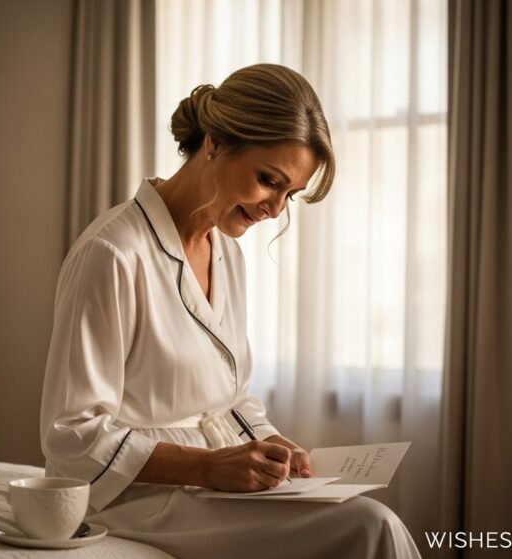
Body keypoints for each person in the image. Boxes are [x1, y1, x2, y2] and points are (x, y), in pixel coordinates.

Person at [40, 63, 421, 558]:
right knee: (370, 527)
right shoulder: (113, 254)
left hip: (210, 486)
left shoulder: (227, 252)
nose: (275, 209)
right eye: (268, 180)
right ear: (216, 142)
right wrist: (205, 467)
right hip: (131, 496)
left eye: (290, 195)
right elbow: (72, 436)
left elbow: (230, 399)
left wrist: (273, 445)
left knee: (370, 519)